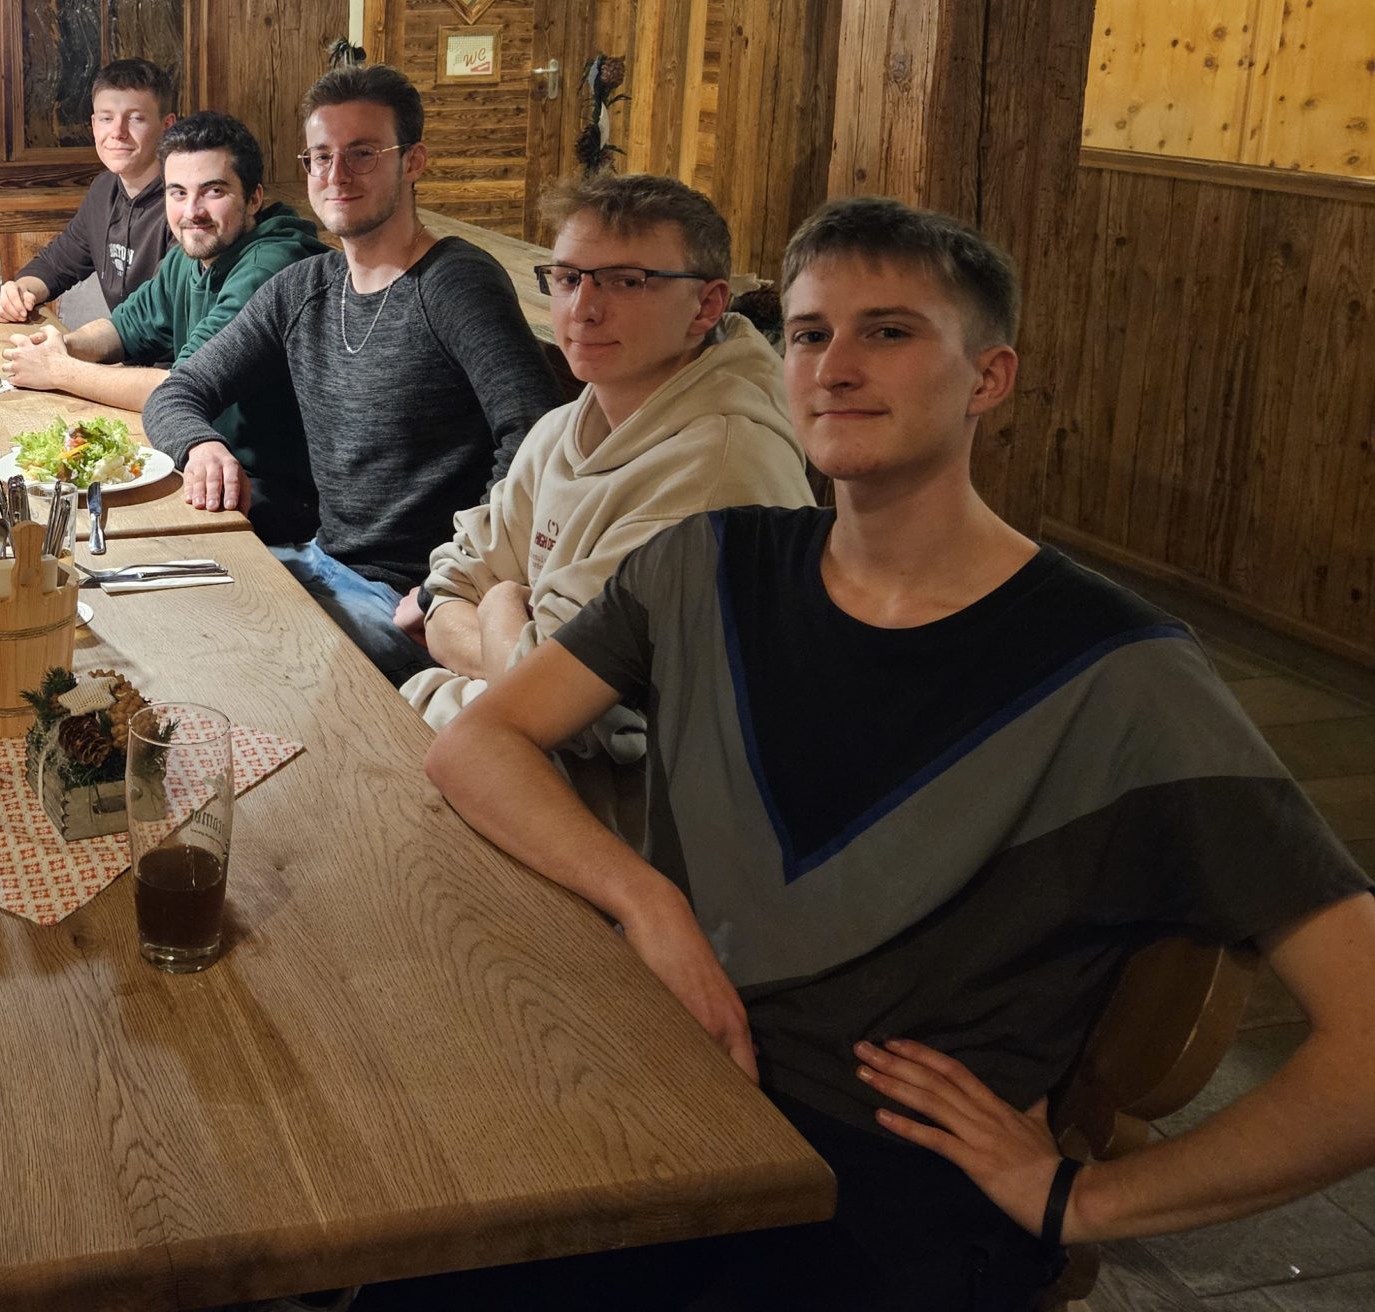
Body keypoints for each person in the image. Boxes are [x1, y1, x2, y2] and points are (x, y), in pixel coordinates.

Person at [417, 198, 1375, 1311]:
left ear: (989, 378)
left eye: (889, 331)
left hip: (876, 1193)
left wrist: (1081, 1202)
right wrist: (646, 902)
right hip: (665, 1088)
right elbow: (480, 743)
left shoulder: (1118, 671)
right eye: (810, 333)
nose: (835, 366)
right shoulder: (706, 563)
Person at [142, 66, 560, 681]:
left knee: (228, 672)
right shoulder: (303, 287)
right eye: (321, 156)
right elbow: (178, 392)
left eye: (363, 154)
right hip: (318, 559)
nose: (336, 175)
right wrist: (201, 444)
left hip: (403, 600)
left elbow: (537, 442)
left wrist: (451, 583)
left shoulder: (455, 283)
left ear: (413, 162)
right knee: (154, 623)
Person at [397, 173, 813, 735]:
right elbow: (448, 589)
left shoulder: (717, 470)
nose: (584, 309)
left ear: (706, 306)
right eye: (569, 278)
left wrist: (496, 603)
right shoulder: (561, 428)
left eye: (626, 282)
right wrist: (501, 632)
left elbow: (543, 698)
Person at [2, 109, 326, 542]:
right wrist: (62, 345)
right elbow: (123, 328)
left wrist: (60, 371)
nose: (192, 211)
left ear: (253, 199)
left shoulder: (269, 265)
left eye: (213, 191)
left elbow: (178, 387)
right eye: (178, 192)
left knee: (73, 535)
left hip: (272, 497)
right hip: (203, 464)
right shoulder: (189, 257)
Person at [0, 56, 172, 321]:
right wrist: (19, 292)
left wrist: (75, 344)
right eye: (106, 118)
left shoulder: (184, 201)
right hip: (118, 344)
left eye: (135, 118)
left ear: (167, 126)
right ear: (93, 125)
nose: (118, 131)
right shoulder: (104, 189)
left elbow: (158, 312)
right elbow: (57, 263)